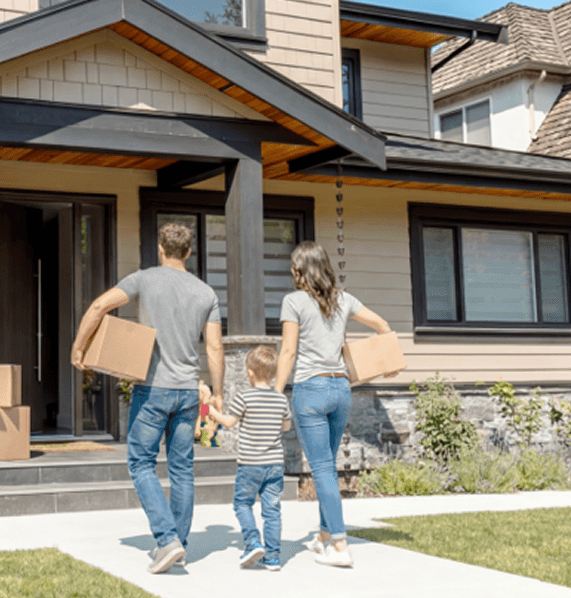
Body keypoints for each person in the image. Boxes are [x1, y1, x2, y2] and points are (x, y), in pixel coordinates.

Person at [71, 222, 224, 574]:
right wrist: (218, 393)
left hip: (153, 390)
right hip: (188, 392)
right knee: (182, 470)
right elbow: (214, 347)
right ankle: (177, 545)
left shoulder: (143, 279)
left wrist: (79, 347)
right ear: (188, 252)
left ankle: (167, 539)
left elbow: (98, 307)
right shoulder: (206, 293)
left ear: (160, 248)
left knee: (140, 463)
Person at [273, 241, 392, 569]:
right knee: (328, 464)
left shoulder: (293, 301)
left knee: (322, 468)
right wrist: (376, 360)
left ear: (300, 270)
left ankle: (339, 544)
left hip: (310, 390)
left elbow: (288, 352)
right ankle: (325, 535)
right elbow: (383, 326)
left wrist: (274, 392)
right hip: (340, 389)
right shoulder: (345, 299)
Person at [199, 345, 291, 571]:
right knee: (272, 511)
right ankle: (273, 557)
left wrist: (207, 410)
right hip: (275, 465)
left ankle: (252, 542)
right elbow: (286, 426)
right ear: (273, 374)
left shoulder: (244, 397)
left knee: (242, 503)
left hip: (250, 465)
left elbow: (229, 422)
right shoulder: (281, 400)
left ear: (249, 373)